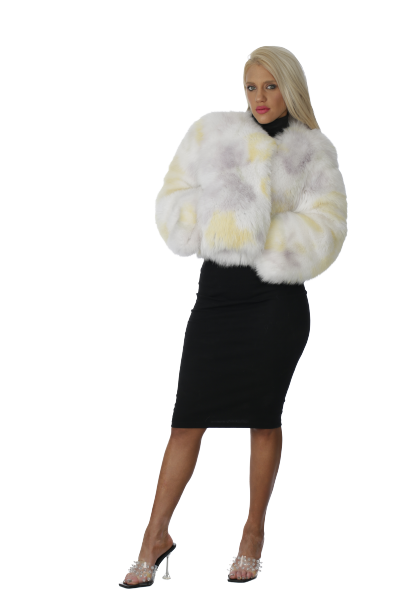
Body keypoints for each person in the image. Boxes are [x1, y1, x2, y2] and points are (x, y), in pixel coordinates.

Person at [119, 46, 347, 588]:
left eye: (270, 86)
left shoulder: (314, 150)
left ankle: (252, 533)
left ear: (290, 88)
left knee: (263, 420)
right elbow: (172, 199)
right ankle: (154, 537)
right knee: (185, 421)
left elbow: (327, 228)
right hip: (217, 299)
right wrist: (222, 223)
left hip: (275, 305)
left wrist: (259, 233)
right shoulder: (212, 132)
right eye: (251, 86)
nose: (259, 97)